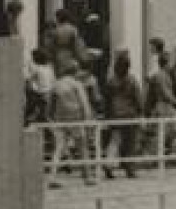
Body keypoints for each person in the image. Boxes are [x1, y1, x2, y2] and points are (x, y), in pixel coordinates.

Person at [51, 63, 97, 185]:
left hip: (60, 118)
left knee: (59, 148)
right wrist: (88, 119)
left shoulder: (57, 84)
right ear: (75, 71)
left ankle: (52, 176)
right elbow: (84, 103)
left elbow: (52, 102)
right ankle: (87, 176)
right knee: (82, 147)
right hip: (75, 118)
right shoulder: (77, 84)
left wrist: (51, 117)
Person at [101, 50, 144, 178]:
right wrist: (141, 112)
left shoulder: (111, 81)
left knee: (114, 141)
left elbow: (107, 100)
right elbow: (138, 99)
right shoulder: (132, 80)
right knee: (130, 143)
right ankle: (129, 168)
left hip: (114, 115)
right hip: (130, 115)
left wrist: (107, 116)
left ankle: (108, 164)